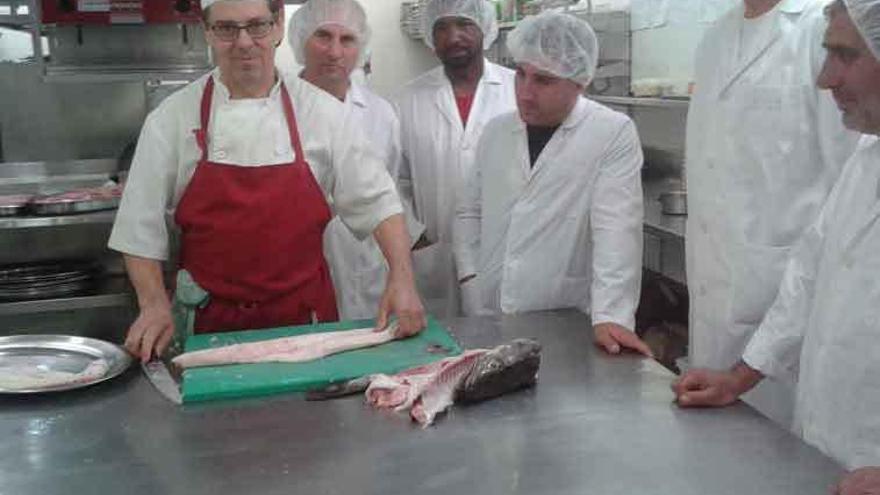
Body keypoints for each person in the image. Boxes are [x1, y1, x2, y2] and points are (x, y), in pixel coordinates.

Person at [109, 0, 425, 362]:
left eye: (257, 26)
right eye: (227, 29)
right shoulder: (171, 119)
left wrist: (402, 277)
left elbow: (379, 204)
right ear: (207, 32)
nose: (244, 42)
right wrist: (152, 304)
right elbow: (138, 227)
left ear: (277, 26)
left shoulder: (322, 113)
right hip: (208, 323)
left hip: (306, 322)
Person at [673, 1, 880, 490]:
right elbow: (809, 276)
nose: (825, 78)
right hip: (825, 438)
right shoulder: (868, 156)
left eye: (845, 57)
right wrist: (741, 376)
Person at [453, 11, 651, 357]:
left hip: (563, 316)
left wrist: (612, 316)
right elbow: (469, 210)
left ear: (579, 82)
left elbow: (617, 231)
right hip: (488, 310)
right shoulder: (497, 131)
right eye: (521, 75)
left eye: (543, 80)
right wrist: (470, 278)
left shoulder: (611, 133)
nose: (525, 93)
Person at [288, 0, 425, 320]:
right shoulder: (276, 110)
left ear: (360, 48)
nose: (334, 51)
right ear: (300, 40)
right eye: (323, 36)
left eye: (347, 39)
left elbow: (386, 197)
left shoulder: (381, 114)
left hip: (368, 275)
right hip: (296, 276)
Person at [396, 0, 516, 316]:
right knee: (440, 349)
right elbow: (394, 178)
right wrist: (414, 235)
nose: (453, 37)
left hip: (503, 251)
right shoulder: (408, 99)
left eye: (464, 24)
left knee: (503, 346)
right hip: (435, 251)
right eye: (442, 27)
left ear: (485, 29)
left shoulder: (516, 91)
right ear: (430, 37)